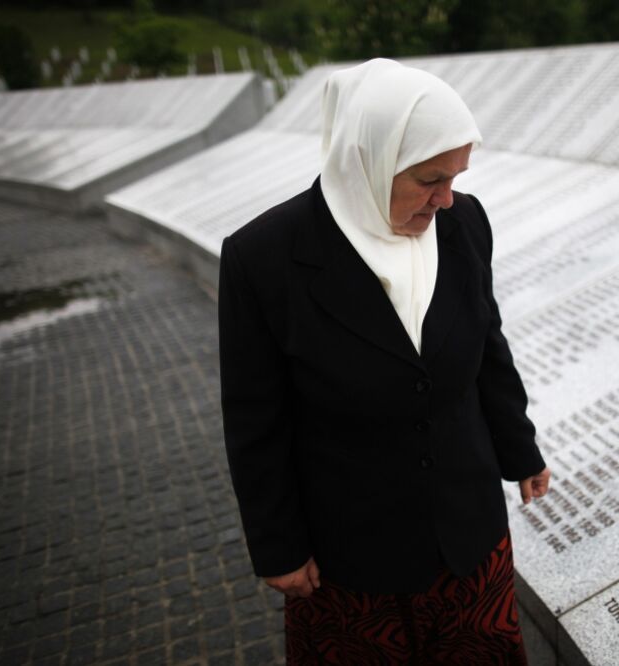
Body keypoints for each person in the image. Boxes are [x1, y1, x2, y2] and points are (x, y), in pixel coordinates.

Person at [218, 58, 551, 664]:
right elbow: (254, 420)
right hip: (351, 564)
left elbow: (488, 346)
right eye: (429, 179)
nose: (447, 199)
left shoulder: (464, 223)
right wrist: (277, 547)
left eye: (456, 176)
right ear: (368, 159)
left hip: (469, 545)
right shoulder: (262, 259)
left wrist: (520, 449)